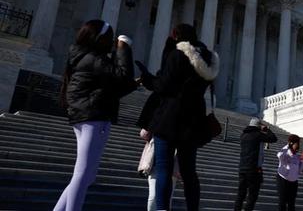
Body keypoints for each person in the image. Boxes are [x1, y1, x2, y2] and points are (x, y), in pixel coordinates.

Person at [54, 20, 136, 211]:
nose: (112, 42)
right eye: (110, 38)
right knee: (83, 175)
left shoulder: (83, 57)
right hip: (94, 116)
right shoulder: (94, 58)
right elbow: (123, 75)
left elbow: (111, 87)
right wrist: (123, 48)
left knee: (86, 176)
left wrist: (133, 84)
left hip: (85, 114)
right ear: (100, 39)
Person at [140, 23, 220, 211]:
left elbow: (164, 86)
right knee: (189, 172)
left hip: (170, 117)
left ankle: (162, 209)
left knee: (164, 170)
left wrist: (148, 79)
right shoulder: (208, 60)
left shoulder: (178, 54)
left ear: (176, 36)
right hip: (193, 120)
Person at [137, 38, 178, 211]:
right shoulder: (184, 94)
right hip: (175, 152)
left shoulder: (159, 94)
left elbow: (144, 133)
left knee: (156, 192)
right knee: (165, 193)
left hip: (160, 148)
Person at [236, 117, 278, 211]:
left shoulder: (243, 135)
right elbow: (273, 138)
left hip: (242, 168)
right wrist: (267, 129)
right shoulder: (258, 135)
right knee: (252, 195)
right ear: (258, 126)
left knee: (241, 195)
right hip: (253, 169)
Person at [277, 134, 303, 211]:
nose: (298, 145)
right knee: (282, 202)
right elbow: (279, 155)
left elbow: (299, 170)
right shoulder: (284, 152)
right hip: (283, 179)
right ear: (291, 143)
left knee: (291, 203)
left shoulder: (297, 157)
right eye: (297, 143)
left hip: (293, 182)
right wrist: (288, 147)